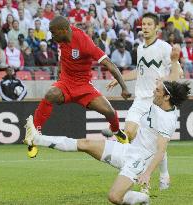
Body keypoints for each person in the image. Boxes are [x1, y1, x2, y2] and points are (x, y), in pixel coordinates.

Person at [23, 80, 191, 205]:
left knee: (114, 198)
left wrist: (149, 173)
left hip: (138, 162)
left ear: (167, 96)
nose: (154, 91)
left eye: (158, 90)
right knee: (86, 144)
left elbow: (161, 151)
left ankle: (143, 198)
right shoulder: (159, 104)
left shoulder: (167, 120)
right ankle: (37, 138)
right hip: (128, 150)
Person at [27, 16, 131, 158]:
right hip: (66, 82)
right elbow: (64, 55)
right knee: (50, 94)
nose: (52, 36)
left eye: (54, 32)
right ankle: (34, 135)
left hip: (84, 86)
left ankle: (117, 131)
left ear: (63, 30)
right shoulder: (62, 38)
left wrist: (124, 87)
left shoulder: (84, 43)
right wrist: (60, 71)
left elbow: (109, 64)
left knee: (110, 112)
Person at [104, 12, 183, 190]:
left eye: (149, 24)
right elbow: (140, 72)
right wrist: (120, 78)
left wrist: (173, 67)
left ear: (157, 28)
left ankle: (163, 175)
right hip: (140, 100)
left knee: (156, 144)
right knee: (129, 133)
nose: (145, 27)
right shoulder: (140, 48)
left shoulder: (164, 47)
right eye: (143, 25)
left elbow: (176, 73)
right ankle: (138, 176)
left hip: (156, 102)